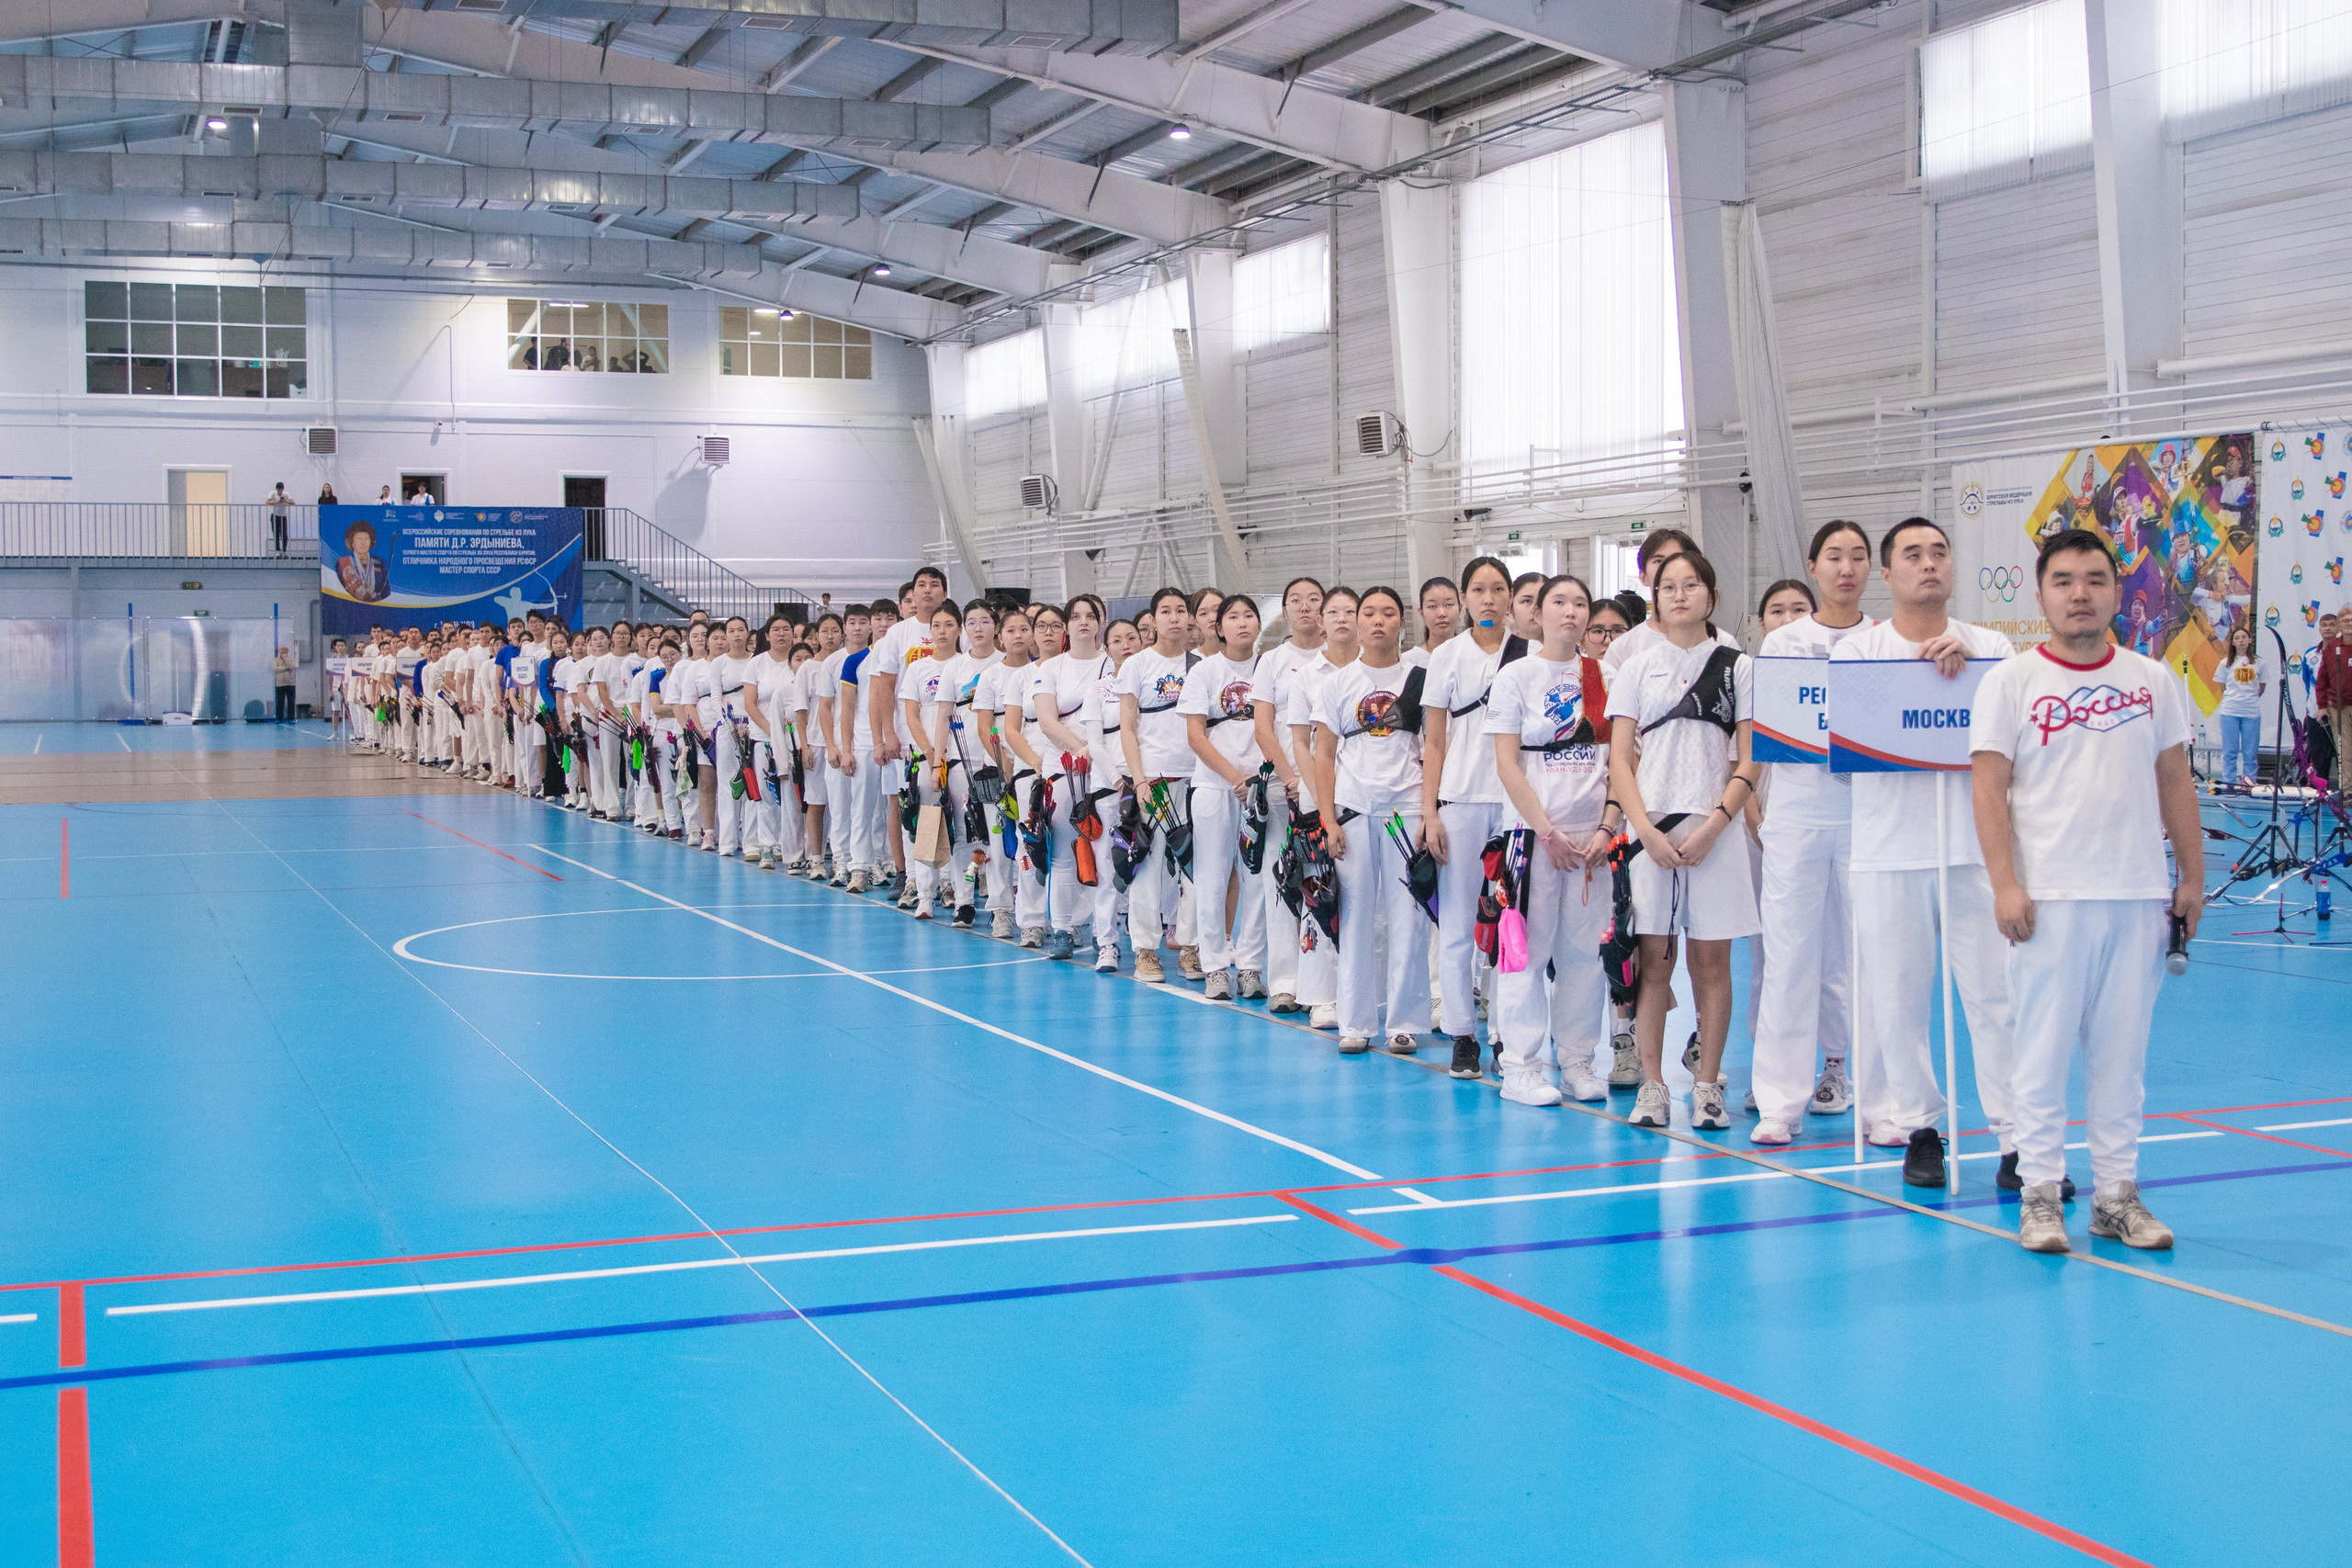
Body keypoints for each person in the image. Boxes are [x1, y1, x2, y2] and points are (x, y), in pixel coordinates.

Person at [1971, 527, 2201, 1253]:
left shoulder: (2151, 678)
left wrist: (2191, 876)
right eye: (2064, 579)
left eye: (2095, 579)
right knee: (2038, 1055)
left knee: (2121, 1058)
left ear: (2116, 592)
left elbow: (2174, 780)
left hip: (2134, 897)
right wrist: (2005, 884)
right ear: (2041, 593)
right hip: (2048, 900)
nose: (2080, 592)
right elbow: (1988, 790)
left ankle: (2115, 1197)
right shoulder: (2010, 681)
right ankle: (2041, 1194)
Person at [1832, 517, 2021, 1190]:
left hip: (1976, 850)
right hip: (1889, 849)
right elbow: (1852, 754)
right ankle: (1921, 1128)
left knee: (1996, 997)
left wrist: (1966, 679)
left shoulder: (1992, 647)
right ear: (1888, 574)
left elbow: (2011, 746)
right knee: (1898, 998)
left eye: (1939, 552)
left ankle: (2014, 1139)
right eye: (1912, 554)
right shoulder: (1858, 652)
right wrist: (1916, 680)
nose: (1928, 563)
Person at [1604, 548, 1760, 1131]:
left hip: (1716, 837)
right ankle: (1652, 1085)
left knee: (1711, 965)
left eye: (1692, 584)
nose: (1679, 594)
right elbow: (1621, 760)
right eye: (1668, 586)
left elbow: (1749, 761)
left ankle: (1707, 1087)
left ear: (1711, 596)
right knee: (1653, 965)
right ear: (1656, 599)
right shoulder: (1637, 669)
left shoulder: (1737, 665)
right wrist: (1642, 828)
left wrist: (1718, 825)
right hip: (1652, 839)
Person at [1747, 523, 1876, 1145]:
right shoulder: (1784, 643)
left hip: (1869, 821)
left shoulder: (1887, 641)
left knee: (1868, 960)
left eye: (1857, 557)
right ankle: (1779, 1101)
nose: (1846, 567)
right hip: (1796, 816)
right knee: (1789, 958)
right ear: (1814, 566)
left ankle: (1874, 1092)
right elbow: (1768, 738)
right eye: (1834, 556)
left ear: (1871, 569)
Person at [1487, 574, 1620, 1104]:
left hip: (1594, 840)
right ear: (1536, 613)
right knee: (1526, 951)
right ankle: (1521, 1064)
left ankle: (1578, 1059)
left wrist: (1607, 827)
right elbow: (1506, 762)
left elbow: (1621, 763)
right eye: (1558, 602)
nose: (1570, 612)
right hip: (1532, 836)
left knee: (1585, 953)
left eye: (1580, 603)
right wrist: (1546, 831)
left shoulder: (1605, 675)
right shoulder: (1516, 676)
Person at [1310, 585, 1431, 1055]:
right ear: (1356, 624)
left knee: (1409, 919)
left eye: (1388, 613)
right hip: (1354, 808)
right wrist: (1327, 819)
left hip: (1408, 810)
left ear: (1402, 623)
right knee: (1355, 918)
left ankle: (1403, 1021)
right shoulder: (1337, 684)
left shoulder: (1422, 677)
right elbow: (1323, 755)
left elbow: (1433, 748)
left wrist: (1430, 810)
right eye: (1370, 614)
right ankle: (1355, 1021)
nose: (1379, 621)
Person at [1419, 558, 1519, 1076]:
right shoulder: (1447, 657)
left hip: (1515, 804)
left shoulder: (1528, 655)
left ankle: (1507, 1033)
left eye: (1497, 589)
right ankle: (1463, 1034)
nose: (1488, 599)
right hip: (1459, 802)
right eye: (1477, 590)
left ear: (1510, 597)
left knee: (1510, 923)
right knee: (1458, 925)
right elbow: (1433, 740)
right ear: (1463, 599)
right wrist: (1429, 809)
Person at [1182, 593, 1266, 999]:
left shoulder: (1271, 667)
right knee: (1213, 878)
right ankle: (1215, 965)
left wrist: (1260, 778)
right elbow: (1195, 735)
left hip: (1264, 788)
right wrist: (1234, 776)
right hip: (1215, 786)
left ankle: (1250, 965)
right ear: (1218, 627)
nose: (1242, 623)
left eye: (1249, 615)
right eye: (1232, 617)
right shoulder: (1204, 672)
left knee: (1258, 879)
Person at [1249, 577, 1327, 1013]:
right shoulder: (1272, 662)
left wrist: (1317, 782)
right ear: (1285, 610)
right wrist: (1291, 778)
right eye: (1295, 600)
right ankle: (1284, 981)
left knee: (1323, 882)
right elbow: (1264, 727)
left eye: (1314, 600)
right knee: (1281, 881)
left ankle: (1322, 987)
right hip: (1285, 786)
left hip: (1331, 787)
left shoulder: (1341, 657)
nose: (1305, 608)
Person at [1283, 586, 1360, 1030]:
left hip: (1370, 792)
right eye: (1334, 611)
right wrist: (1319, 793)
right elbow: (1299, 740)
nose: (1342, 618)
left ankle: (1368, 992)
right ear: (1322, 621)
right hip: (1319, 793)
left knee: (1369, 900)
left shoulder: (1383, 669)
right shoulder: (1306, 675)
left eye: (1351, 611)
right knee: (1321, 892)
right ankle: (1322, 995)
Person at [1118, 590, 1201, 983]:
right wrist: (1138, 779)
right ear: (1153, 620)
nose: (1173, 618)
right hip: (1155, 781)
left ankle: (1189, 946)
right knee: (1148, 868)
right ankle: (1145, 950)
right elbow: (1128, 727)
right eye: (1165, 611)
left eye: (1180, 611)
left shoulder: (1201, 666)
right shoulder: (1137, 665)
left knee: (1194, 867)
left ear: (1190, 619)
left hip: (1197, 780)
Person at [1029, 596, 1114, 959]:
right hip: (1063, 766)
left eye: (1089, 616)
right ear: (1066, 626)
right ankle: (1063, 928)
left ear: (1100, 623)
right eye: (1075, 617)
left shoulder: (1114, 665)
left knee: (1104, 851)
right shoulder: (1051, 668)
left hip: (1106, 768)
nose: (1083, 622)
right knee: (1064, 850)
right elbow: (1047, 722)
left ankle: (1102, 930)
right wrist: (1085, 749)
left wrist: (1100, 756)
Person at [972, 606, 1037, 937]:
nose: (1017, 636)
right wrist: (1003, 760)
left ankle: (1034, 915)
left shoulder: (1043, 671)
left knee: (1032, 842)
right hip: (999, 770)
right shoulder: (991, 676)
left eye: (1024, 629)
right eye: (1010, 631)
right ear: (1000, 636)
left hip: (1035, 769)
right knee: (999, 844)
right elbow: (986, 727)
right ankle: (1000, 910)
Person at [2215, 623, 2263, 792]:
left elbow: (2261, 688)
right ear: (2233, 643)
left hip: (2251, 713)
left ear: (2250, 640)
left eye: (2244, 637)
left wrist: (2248, 699)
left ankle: (2250, 784)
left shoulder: (2259, 663)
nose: (2241, 640)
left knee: (2250, 753)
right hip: (2230, 712)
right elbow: (2222, 687)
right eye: (2237, 638)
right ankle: (2229, 783)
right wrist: (2235, 699)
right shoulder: (2225, 664)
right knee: (2230, 752)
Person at [334, 520, 389, 604]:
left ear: (371, 542)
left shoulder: (380, 562)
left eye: (366, 539)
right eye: (359, 539)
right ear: (352, 542)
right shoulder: (343, 563)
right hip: (351, 608)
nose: (363, 543)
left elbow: (386, 593)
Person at [1418, 576, 1462, 653]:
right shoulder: (1410, 661)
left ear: (1460, 608)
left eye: (1449, 605)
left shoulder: (1474, 656)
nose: (1442, 613)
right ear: (1422, 613)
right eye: (1432, 606)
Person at [273, 644, 297, 721]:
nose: (283, 651)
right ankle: (279, 718)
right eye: (281, 650)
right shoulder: (276, 660)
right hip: (280, 684)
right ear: (279, 651)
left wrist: (286, 659)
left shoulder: (291, 660)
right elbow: (275, 669)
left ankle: (291, 718)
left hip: (290, 684)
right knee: (280, 702)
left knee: (291, 702)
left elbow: (292, 667)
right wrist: (285, 668)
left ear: (287, 651)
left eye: (285, 650)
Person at [266, 482, 290, 556]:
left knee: (284, 534)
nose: (279, 492)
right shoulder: (273, 493)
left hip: (283, 516)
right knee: (276, 534)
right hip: (275, 515)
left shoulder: (286, 494)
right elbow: (267, 502)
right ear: (276, 489)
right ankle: (277, 551)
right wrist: (276, 501)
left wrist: (285, 501)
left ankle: (284, 551)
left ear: (283, 489)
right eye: (278, 490)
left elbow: (293, 502)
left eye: (281, 490)